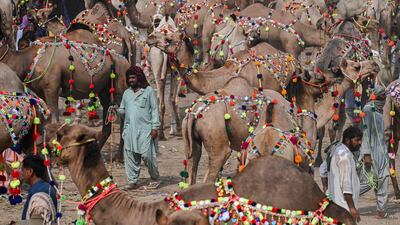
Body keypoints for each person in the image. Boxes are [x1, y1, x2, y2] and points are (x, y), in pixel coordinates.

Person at [118, 65, 161, 190]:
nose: (131, 80)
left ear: (139, 77)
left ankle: (155, 178)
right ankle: (132, 181)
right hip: (129, 129)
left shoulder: (148, 91)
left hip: (145, 129)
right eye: (129, 78)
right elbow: (123, 111)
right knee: (130, 156)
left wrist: (155, 127)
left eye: (133, 77)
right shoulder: (126, 93)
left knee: (147, 155)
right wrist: (116, 109)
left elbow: (154, 110)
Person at [358, 86, 389, 218]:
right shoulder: (368, 110)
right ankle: (342, 197)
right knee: (369, 181)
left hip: (382, 151)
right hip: (371, 151)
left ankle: (381, 210)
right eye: (383, 96)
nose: (385, 98)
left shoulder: (380, 111)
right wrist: (366, 154)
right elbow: (365, 132)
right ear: (379, 96)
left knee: (383, 178)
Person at [320, 126, 362, 221]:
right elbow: (346, 186)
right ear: (347, 140)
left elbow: (322, 170)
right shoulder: (344, 156)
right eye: (357, 140)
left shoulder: (336, 149)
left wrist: (326, 188)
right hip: (344, 208)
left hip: (335, 205)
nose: (360, 143)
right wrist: (352, 208)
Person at [21, 154, 57, 225]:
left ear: (30, 171)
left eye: (23, 170)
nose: (22, 173)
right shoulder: (48, 187)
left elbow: (38, 222)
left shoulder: (38, 192)